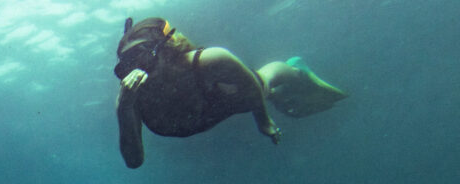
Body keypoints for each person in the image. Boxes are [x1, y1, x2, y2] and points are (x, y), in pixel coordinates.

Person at [114, 16, 348, 169]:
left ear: (165, 49)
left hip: (226, 102)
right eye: (126, 66)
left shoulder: (210, 60)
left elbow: (251, 88)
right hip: (203, 116)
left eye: (142, 58)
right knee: (260, 93)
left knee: (264, 82)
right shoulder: (130, 99)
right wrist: (124, 109)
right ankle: (276, 95)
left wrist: (263, 121)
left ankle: (297, 71)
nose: (137, 70)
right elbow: (134, 162)